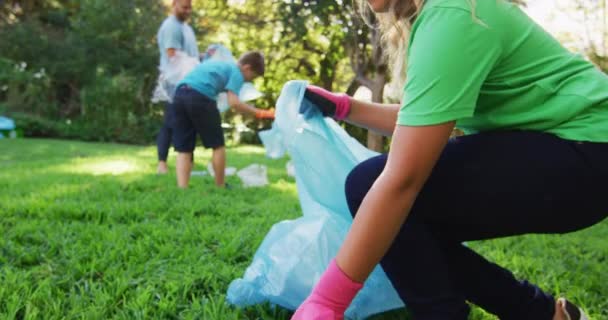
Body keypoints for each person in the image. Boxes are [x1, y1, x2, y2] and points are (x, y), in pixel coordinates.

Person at [292, 0, 608, 319]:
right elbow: (427, 120)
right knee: (406, 222)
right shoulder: (447, 14)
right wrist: (346, 108)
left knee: (375, 191)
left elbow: (404, 177)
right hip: (580, 153)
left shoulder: (454, 14)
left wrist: (326, 301)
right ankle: (542, 314)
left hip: (587, 149)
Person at [172, 51, 274, 189]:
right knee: (218, 145)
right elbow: (234, 103)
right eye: (252, 77)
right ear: (247, 68)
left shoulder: (220, 64)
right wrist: (260, 113)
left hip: (180, 94)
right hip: (201, 96)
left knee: (184, 147)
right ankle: (220, 185)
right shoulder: (236, 72)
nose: (249, 81)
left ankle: (182, 188)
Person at [155, 0, 199, 174]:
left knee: (189, 122)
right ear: (174, 4)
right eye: (184, 7)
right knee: (170, 123)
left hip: (187, 81)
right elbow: (172, 55)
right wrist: (195, 65)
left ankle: (189, 162)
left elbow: (190, 55)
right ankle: (162, 164)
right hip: (174, 82)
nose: (188, 11)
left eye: (190, 7)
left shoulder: (186, 28)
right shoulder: (172, 26)